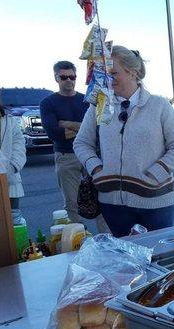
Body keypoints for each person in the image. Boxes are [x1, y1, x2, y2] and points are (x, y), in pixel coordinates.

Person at [74, 46, 174, 237]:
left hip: (156, 203)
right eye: (105, 74)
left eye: (113, 73)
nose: (108, 79)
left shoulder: (159, 106)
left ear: (133, 73)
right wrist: (96, 170)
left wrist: (153, 177)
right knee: (125, 261)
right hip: (112, 203)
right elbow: (81, 143)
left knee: (158, 259)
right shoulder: (99, 105)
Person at [40, 60, 108, 232]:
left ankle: (107, 241)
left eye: (72, 76)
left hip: (90, 155)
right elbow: (54, 133)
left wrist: (67, 124)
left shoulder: (87, 100)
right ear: (56, 78)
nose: (69, 80)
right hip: (66, 156)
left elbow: (97, 127)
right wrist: (83, 127)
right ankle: (78, 241)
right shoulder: (48, 103)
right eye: (64, 77)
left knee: (101, 198)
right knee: (71, 203)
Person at [0, 89, 26, 211]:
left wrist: (12, 166)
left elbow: (19, 144)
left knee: (13, 224)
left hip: (10, 183)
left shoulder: (8, 119)